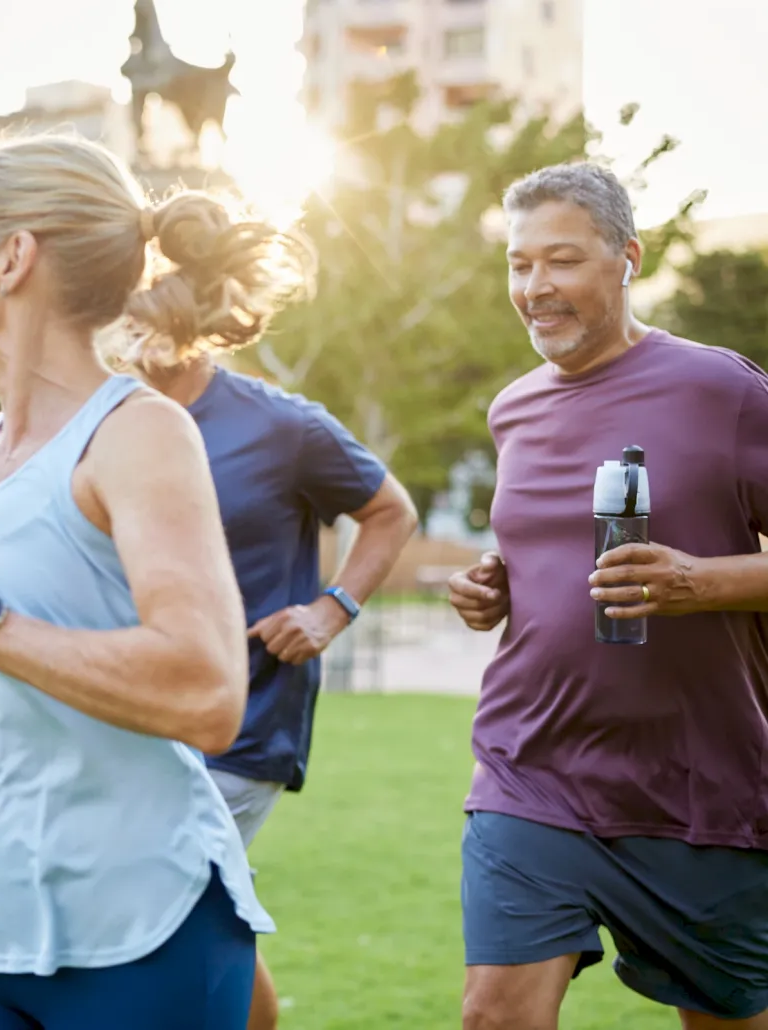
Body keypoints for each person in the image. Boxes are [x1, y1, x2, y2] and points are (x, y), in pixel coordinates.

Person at [0, 132, 312, 1029]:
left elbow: (205, 691)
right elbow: (44, 642)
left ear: (13, 258)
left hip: (135, 928)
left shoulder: (138, 436)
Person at [446, 162, 768, 1030]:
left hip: (696, 789)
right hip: (532, 769)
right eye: (519, 265)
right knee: (494, 1016)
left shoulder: (722, 390)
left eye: (562, 261)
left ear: (627, 259)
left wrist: (701, 583)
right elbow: (540, 551)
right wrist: (494, 585)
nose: (534, 287)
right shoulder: (513, 410)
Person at [137, 339, 419, 1028]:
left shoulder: (282, 425)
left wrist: (333, 608)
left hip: (245, 716)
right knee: (200, 910)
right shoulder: (103, 414)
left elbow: (391, 511)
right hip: (131, 711)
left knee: (155, 901)